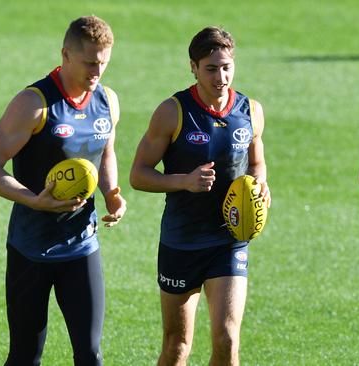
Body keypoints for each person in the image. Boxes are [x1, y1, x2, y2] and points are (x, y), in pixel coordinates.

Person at [0, 15, 126, 365]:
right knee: (26, 355)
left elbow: (106, 150)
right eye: (89, 62)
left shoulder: (107, 101)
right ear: (66, 54)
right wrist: (34, 201)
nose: (97, 71)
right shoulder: (34, 104)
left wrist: (112, 192)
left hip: (82, 246)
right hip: (31, 248)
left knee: (90, 354)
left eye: (103, 62)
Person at [130, 26, 270, 366]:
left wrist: (261, 185)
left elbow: (257, 162)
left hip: (229, 239)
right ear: (193, 67)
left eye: (226, 67)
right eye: (210, 68)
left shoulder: (249, 110)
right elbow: (139, 175)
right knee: (178, 346)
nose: (220, 77)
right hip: (182, 241)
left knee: (227, 338)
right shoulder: (173, 112)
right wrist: (184, 181)